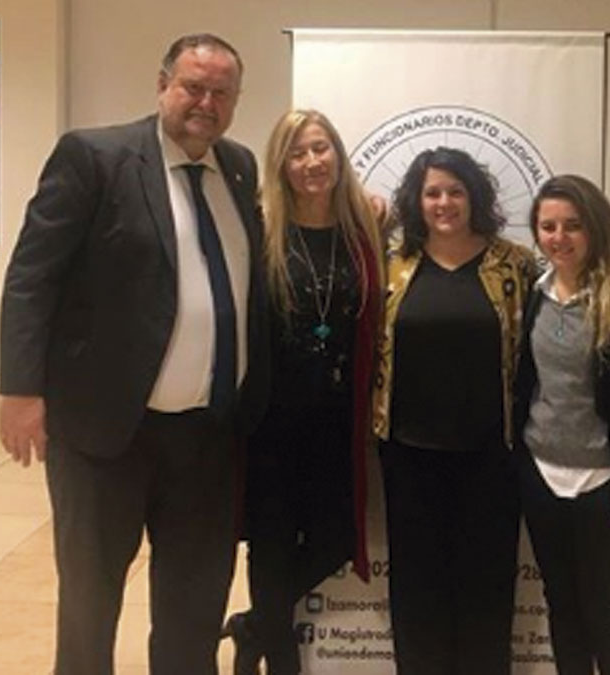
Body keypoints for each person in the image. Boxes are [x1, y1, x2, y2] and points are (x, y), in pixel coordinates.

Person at [0, 34, 270, 674]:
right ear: (163, 84)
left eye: (222, 92)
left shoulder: (238, 167)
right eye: (193, 87)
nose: (206, 103)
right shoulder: (95, 157)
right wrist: (21, 389)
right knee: (90, 601)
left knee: (194, 602)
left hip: (208, 436)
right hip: (106, 431)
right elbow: (32, 276)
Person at [221, 109, 384, 675]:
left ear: (337, 154)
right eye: (297, 153)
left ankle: (254, 625)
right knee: (269, 545)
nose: (312, 162)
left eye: (320, 148)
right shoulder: (260, 230)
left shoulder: (363, 231)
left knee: (336, 539)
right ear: (281, 165)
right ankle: (280, 660)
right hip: (271, 421)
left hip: (336, 421)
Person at [372, 147, 537, 674]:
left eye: (455, 191)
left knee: (486, 592)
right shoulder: (392, 266)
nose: (444, 203)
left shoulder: (515, 266)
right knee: (416, 592)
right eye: (433, 193)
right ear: (416, 201)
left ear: (474, 196)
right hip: (409, 457)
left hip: (491, 458)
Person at [514, 175, 610, 675]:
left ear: (596, 227)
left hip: (609, 483)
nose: (559, 237)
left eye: (573, 225)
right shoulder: (534, 294)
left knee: (605, 612)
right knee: (562, 607)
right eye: (548, 227)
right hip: (542, 476)